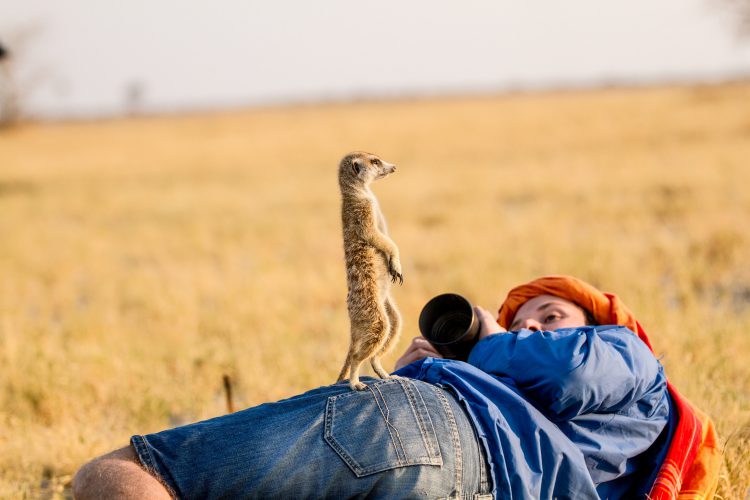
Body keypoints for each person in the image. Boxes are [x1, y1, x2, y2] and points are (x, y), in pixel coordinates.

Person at [72, 275, 720, 499]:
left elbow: (571, 371)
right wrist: (416, 370)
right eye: (519, 319)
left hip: (442, 431)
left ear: (603, 320)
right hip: (456, 464)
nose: (530, 328)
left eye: (551, 319)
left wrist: (489, 347)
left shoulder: (627, 354)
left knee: (124, 474)